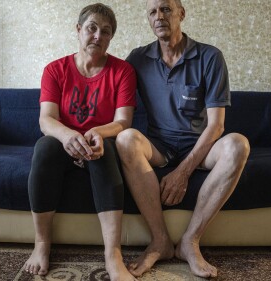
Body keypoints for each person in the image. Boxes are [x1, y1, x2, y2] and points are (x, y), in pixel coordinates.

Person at [116, 0, 250, 278]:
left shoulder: (210, 57)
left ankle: (190, 241)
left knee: (238, 144)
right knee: (126, 138)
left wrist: (183, 172)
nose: (159, 16)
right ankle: (160, 241)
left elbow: (216, 126)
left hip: (201, 145)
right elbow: (112, 91)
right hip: (159, 146)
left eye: (166, 9)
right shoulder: (138, 59)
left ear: (181, 14)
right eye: (152, 12)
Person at [23, 3, 137, 281]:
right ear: (78, 30)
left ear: (111, 38)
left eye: (106, 31)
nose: (98, 36)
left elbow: (123, 121)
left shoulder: (122, 71)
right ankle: (41, 245)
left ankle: (113, 255)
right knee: (45, 146)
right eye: (92, 28)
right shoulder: (55, 70)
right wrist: (67, 135)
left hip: (100, 144)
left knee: (106, 149)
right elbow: (46, 120)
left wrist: (98, 131)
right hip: (64, 144)